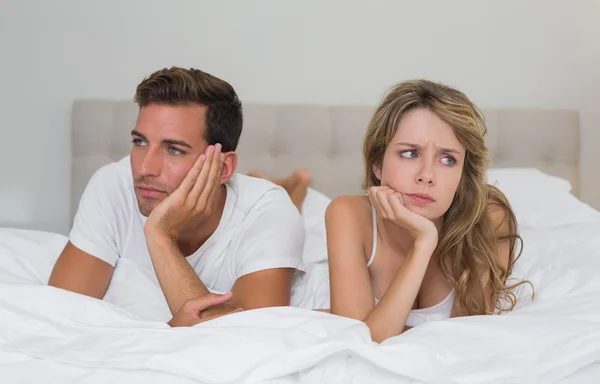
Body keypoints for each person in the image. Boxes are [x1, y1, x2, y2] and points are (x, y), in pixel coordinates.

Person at [48, 66, 307, 327]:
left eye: (173, 149)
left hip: (264, 203)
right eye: (140, 142)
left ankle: (295, 188)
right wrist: (170, 330)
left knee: (291, 207)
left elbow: (253, 338)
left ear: (223, 168)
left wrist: (160, 235)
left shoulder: (269, 210)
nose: (145, 168)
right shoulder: (113, 183)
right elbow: (59, 315)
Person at [325, 79, 531, 343]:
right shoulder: (349, 214)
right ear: (377, 163)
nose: (427, 176)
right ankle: (295, 187)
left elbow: (465, 340)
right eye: (410, 153)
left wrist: (424, 239)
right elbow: (358, 343)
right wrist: (424, 244)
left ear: (463, 174)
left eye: (448, 160)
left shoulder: (488, 217)